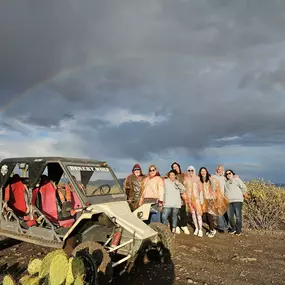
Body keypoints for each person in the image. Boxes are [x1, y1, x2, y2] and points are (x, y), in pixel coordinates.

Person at [224, 169, 247, 236]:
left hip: (237, 200)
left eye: (229, 173)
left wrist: (244, 194)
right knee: (230, 216)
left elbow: (243, 187)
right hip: (229, 201)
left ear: (232, 174)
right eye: (227, 174)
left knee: (238, 216)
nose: (228, 175)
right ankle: (233, 228)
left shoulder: (237, 179)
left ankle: (239, 230)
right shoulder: (225, 182)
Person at [184, 165, 203, 237]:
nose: (190, 172)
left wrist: (201, 199)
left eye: (192, 170)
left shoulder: (197, 178)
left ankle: (200, 229)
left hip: (197, 199)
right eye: (189, 170)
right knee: (193, 214)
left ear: (194, 171)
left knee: (198, 214)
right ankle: (196, 228)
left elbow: (200, 189)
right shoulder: (186, 179)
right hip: (189, 200)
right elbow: (185, 189)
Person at [170, 162, 189, 234]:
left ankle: (184, 226)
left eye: (176, 166)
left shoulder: (183, 175)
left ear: (179, 167)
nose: (175, 168)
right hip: (174, 196)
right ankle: (177, 226)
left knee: (183, 212)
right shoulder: (171, 176)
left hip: (182, 196)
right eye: (173, 167)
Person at [198, 167, 217, 238]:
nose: (203, 172)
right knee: (205, 216)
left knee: (209, 214)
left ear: (206, 171)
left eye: (204, 171)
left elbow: (214, 187)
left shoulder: (210, 178)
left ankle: (212, 229)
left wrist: (211, 179)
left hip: (209, 199)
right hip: (203, 199)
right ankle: (211, 228)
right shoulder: (199, 179)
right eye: (202, 171)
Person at [211, 165, 228, 232]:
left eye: (221, 169)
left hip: (226, 197)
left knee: (226, 213)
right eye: (218, 169)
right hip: (218, 197)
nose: (220, 170)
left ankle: (226, 226)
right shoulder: (213, 177)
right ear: (217, 170)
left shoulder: (225, 178)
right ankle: (221, 227)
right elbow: (213, 187)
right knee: (220, 212)